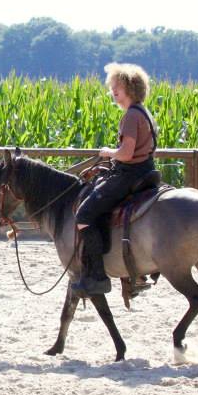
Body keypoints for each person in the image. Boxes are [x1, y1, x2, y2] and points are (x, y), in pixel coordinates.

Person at [71, 62, 158, 297]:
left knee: (84, 214)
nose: (113, 92)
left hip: (129, 174)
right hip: (145, 170)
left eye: (116, 88)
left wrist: (109, 152)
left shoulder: (131, 116)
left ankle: (97, 276)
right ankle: (133, 271)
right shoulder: (143, 112)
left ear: (129, 88)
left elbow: (127, 153)